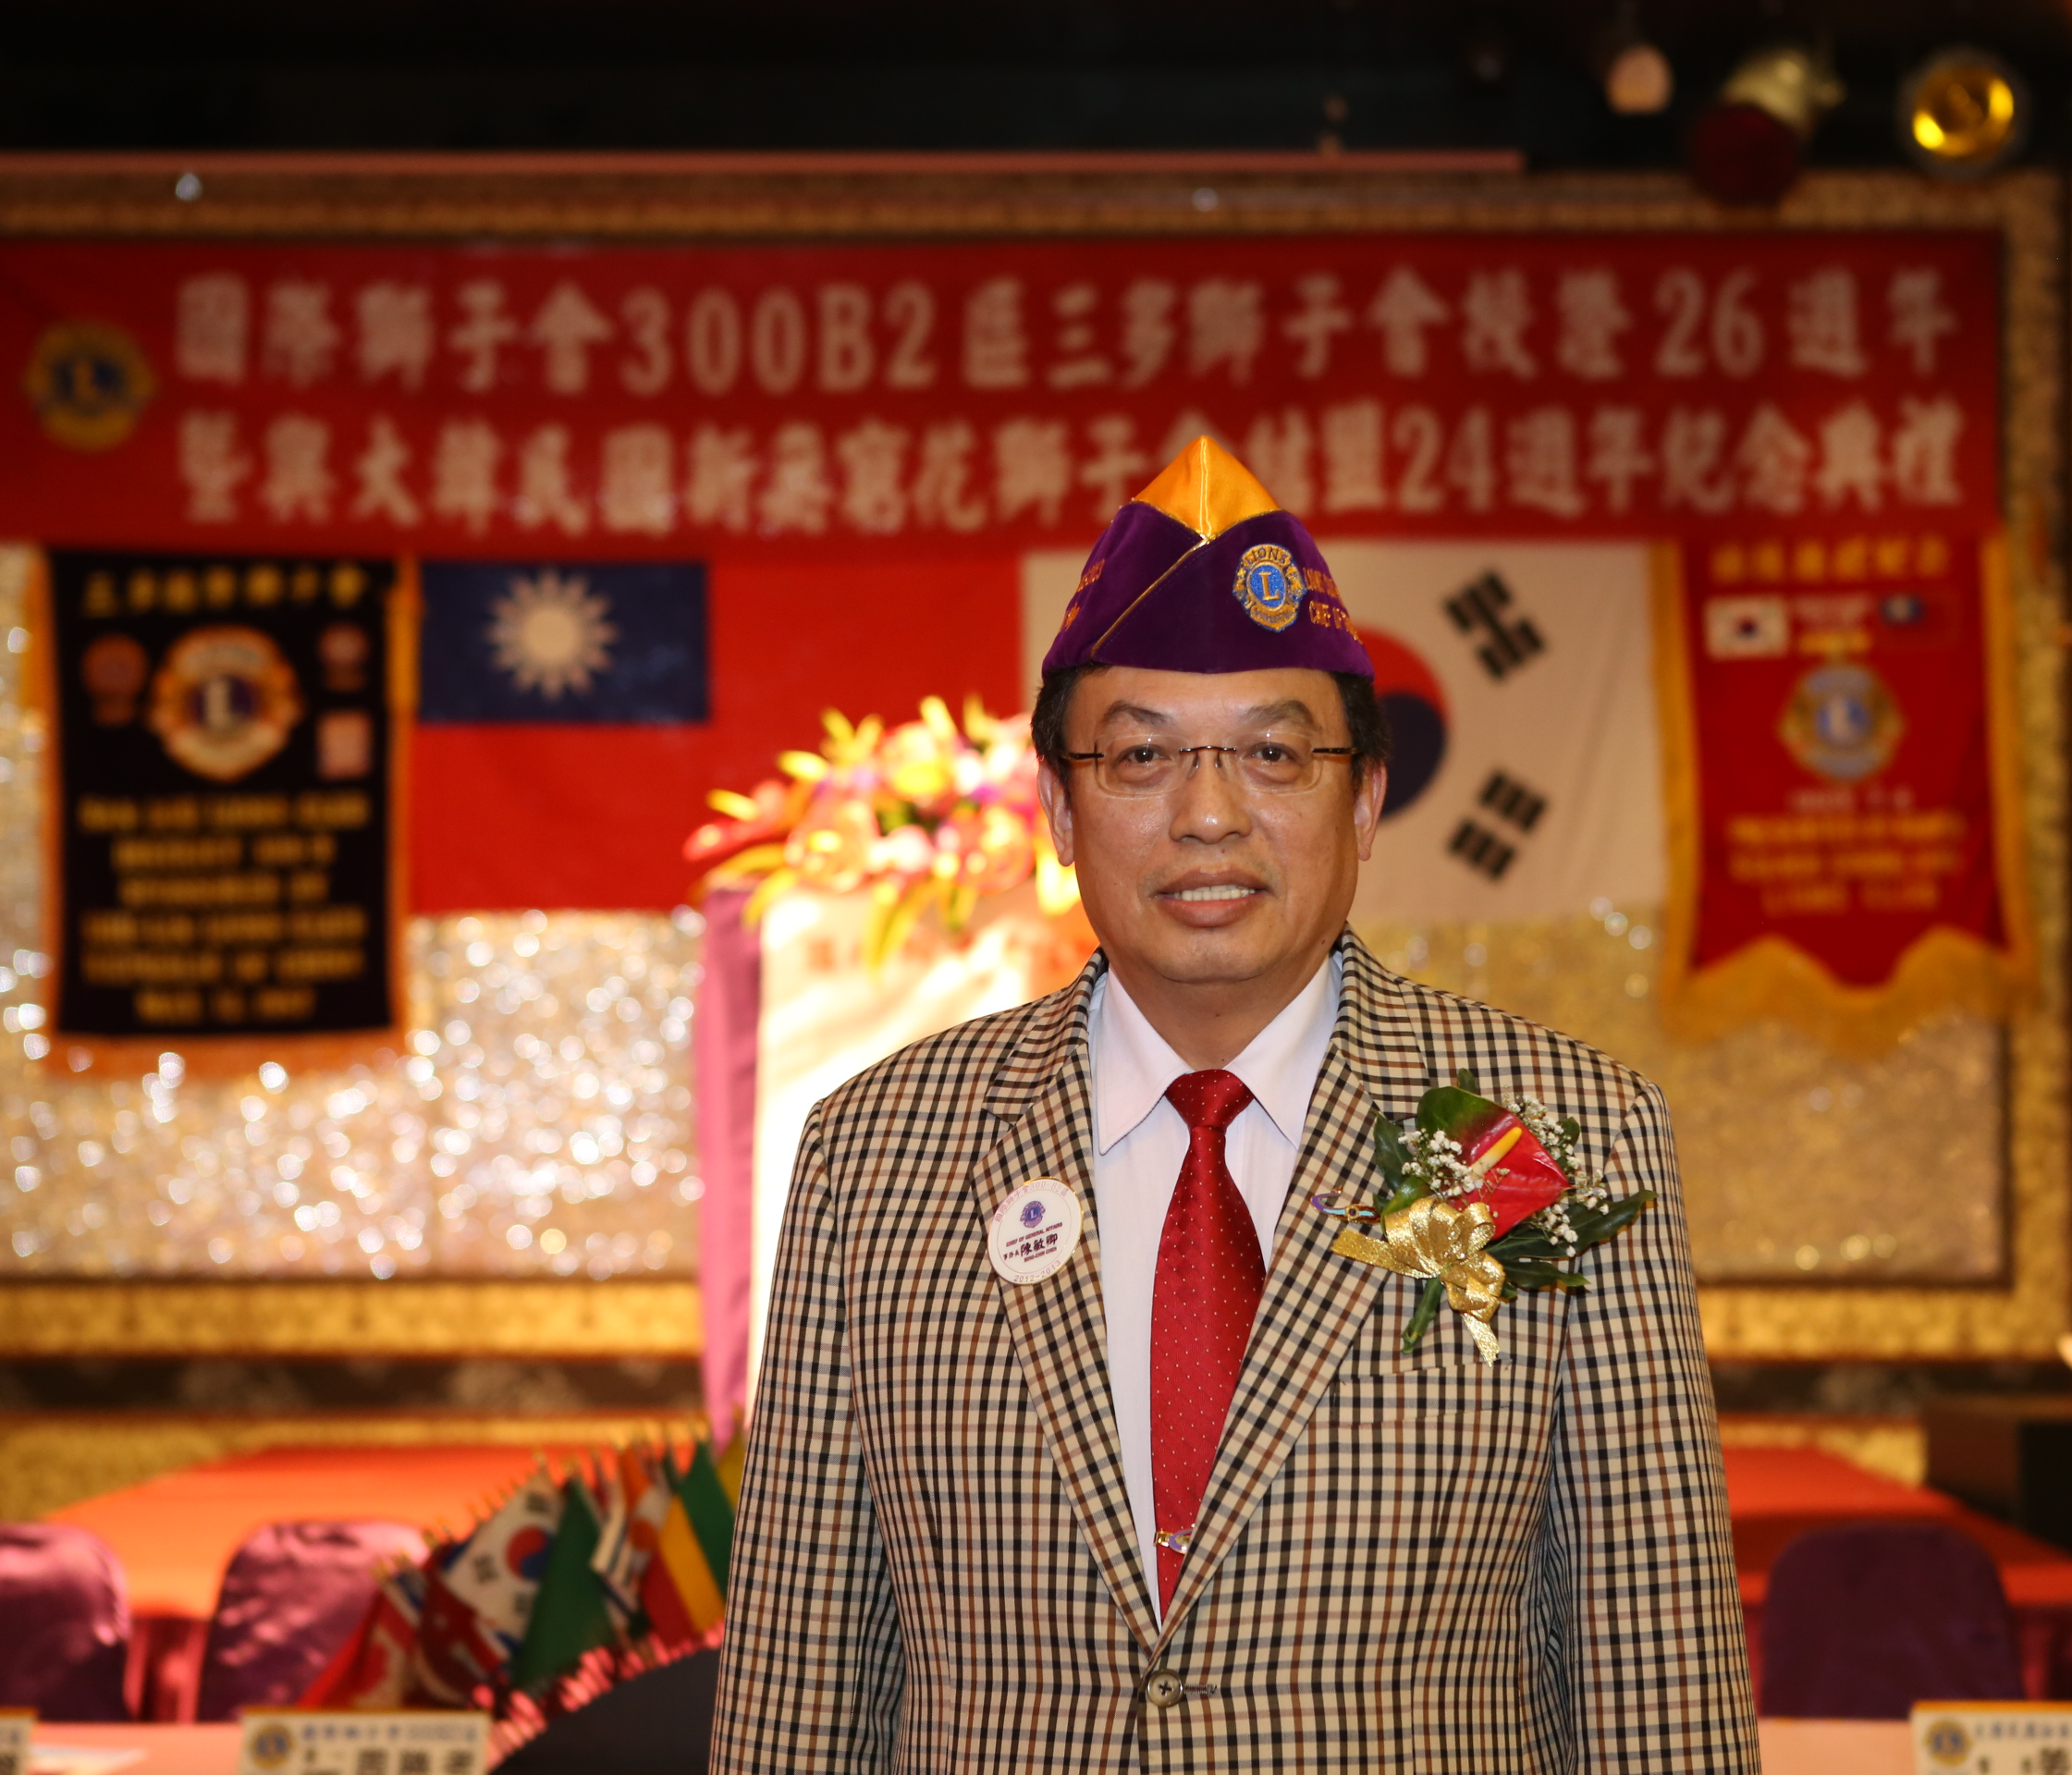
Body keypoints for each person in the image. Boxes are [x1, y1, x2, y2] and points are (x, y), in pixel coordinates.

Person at [709, 438, 1754, 1771]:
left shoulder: (1550, 1133)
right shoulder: (881, 1151)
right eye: (1140, 758)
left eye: (1273, 754)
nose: (1208, 815)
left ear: (1365, 800)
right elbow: (800, 1669)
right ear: (1059, 808)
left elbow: (1658, 1658)